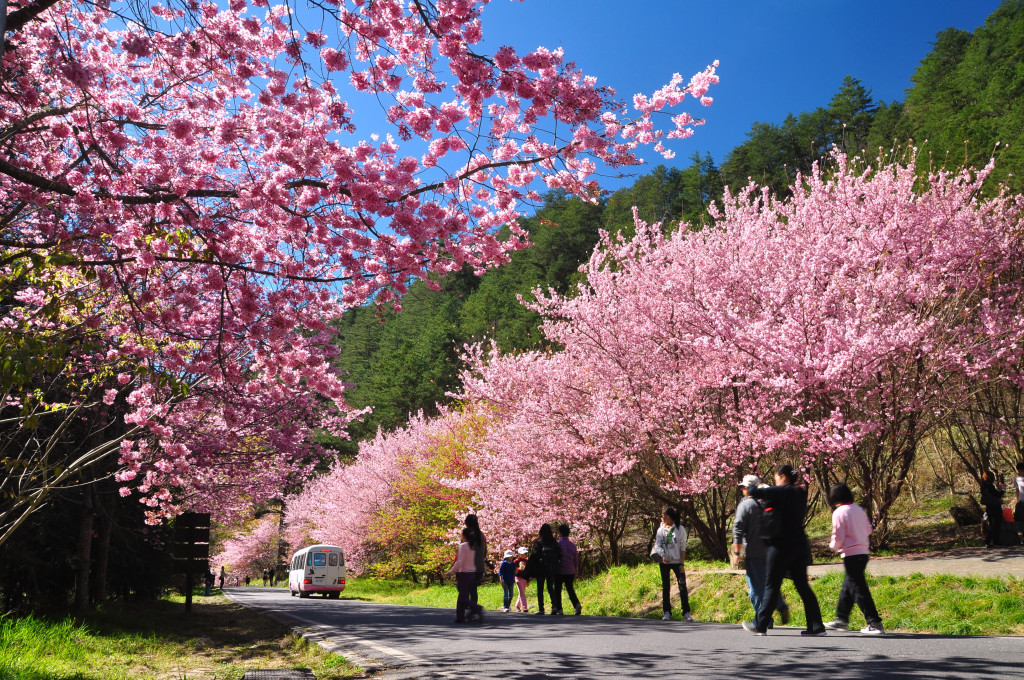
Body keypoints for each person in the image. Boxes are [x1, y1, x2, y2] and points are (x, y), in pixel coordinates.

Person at [744, 464, 826, 636]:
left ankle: (760, 624)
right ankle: (817, 626)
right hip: (799, 545)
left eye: (776, 477)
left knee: (771, 585)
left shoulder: (781, 491)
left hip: (781, 545)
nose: (775, 480)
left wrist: (756, 485)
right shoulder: (800, 493)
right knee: (803, 587)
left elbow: (754, 491)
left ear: (782, 477)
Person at [823, 482, 885, 635]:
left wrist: (834, 546)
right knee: (849, 586)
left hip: (850, 553)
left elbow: (838, 535)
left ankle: (874, 622)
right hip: (863, 552)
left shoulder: (839, 512)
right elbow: (868, 530)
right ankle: (842, 619)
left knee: (858, 588)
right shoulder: (858, 509)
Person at [731, 475, 789, 628]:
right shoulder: (768, 503)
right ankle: (780, 604)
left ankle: (762, 619)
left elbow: (738, 529)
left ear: (750, 488)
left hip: (754, 552)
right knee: (769, 584)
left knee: (755, 587)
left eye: (744, 487)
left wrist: (736, 553)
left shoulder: (746, 505)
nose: (742, 489)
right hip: (771, 551)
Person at [652, 507, 693, 622]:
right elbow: (657, 545)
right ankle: (667, 612)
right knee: (666, 587)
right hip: (665, 562)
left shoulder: (680, 529)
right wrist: (663, 555)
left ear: (669, 517)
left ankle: (686, 612)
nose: (662, 518)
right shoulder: (661, 530)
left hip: (677, 562)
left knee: (682, 587)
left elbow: (683, 547)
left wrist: (682, 564)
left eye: (663, 516)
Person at [447, 527, 485, 624]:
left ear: (464, 536)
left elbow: (460, 562)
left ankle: (477, 608)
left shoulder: (463, 546)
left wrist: (451, 572)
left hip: (464, 574)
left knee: (463, 597)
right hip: (472, 574)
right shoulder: (474, 546)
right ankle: (460, 617)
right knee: (462, 597)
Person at [528, 523, 561, 615]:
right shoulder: (554, 542)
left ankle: (541, 609)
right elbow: (560, 554)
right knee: (550, 587)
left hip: (541, 567)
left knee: (540, 588)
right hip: (551, 567)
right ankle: (554, 607)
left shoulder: (539, 542)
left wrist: (530, 568)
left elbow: (535, 555)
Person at [556, 524, 583, 616]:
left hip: (560, 570)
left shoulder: (558, 544)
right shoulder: (573, 545)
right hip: (570, 570)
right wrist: (575, 570)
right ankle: (577, 604)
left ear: (560, 533)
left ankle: (559, 609)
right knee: (570, 589)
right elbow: (576, 559)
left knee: (558, 589)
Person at [464, 514, 487, 610]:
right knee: (473, 589)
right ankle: (473, 610)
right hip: (479, 567)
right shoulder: (481, 535)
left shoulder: (467, 534)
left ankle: (472, 608)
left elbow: (463, 550)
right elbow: (485, 552)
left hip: (469, 567)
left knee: (466, 589)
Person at [980, 470, 1006, 548]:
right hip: (995, 508)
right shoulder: (990, 486)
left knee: (992, 524)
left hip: (989, 507)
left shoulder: (983, 486)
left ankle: (992, 541)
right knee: (996, 524)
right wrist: (1003, 489)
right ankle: (991, 541)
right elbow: (997, 495)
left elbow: (992, 495)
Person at [514, 546, 531, 612]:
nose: (524, 555)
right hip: (518, 578)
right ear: (519, 554)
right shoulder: (516, 561)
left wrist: (528, 580)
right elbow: (514, 571)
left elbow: (528, 571)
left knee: (522, 592)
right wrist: (519, 569)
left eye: (524, 553)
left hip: (524, 578)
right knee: (521, 592)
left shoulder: (527, 561)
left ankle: (517, 606)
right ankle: (524, 607)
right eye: (522, 553)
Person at [1015, 462, 1024, 543]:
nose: (1021, 472)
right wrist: (1017, 500)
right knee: (1021, 519)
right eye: (1020, 470)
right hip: (1021, 501)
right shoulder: (1017, 479)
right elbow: (1017, 491)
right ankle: (1022, 536)